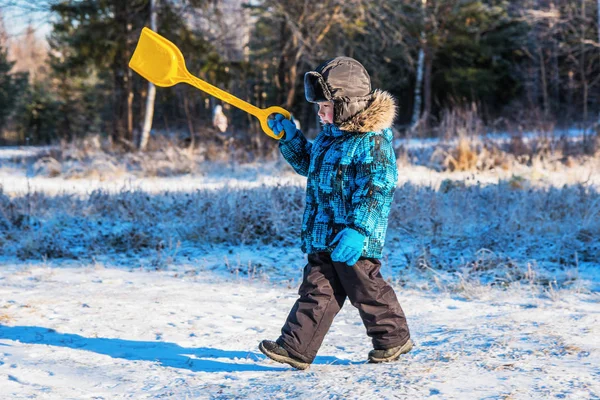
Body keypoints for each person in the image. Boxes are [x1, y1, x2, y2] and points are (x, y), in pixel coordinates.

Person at [260, 57, 412, 370]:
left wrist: (359, 230)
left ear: (347, 105)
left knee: (366, 290)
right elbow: (309, 166)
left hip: (352, 238)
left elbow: (377, 191)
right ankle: (295, 347)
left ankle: (393, 338)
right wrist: (292, 139)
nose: (319, 113)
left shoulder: (371, 143)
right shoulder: (331, 136)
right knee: (317, 290)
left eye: (325, 106)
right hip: (323, 234)